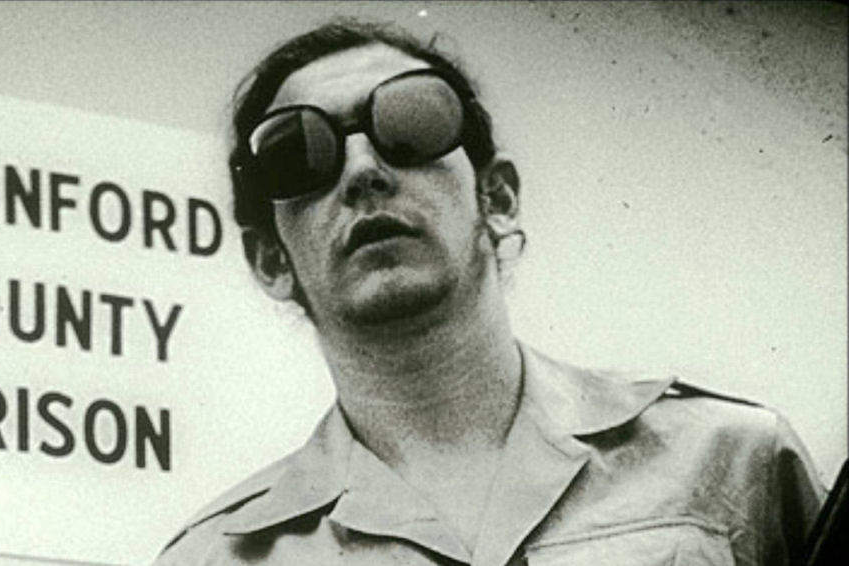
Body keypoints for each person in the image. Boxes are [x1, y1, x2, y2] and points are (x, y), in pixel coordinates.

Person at [154, 19, 827, 566]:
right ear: (272, 260)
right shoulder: (214, 559)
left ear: (496, 198)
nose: (361, 170)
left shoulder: (732, 459)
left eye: (411, 124)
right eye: (299, 155)